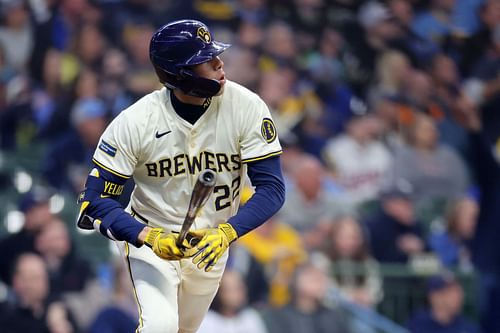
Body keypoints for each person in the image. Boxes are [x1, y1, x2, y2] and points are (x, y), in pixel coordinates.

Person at [76, 19, 285, 333]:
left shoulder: (247, 107)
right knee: (160, 325)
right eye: (205, 60)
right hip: (151, 242)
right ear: (180, 74)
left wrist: (228, 232)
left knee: (183, 331)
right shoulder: (135, 122)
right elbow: (92, 203)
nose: (219, 63)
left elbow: (272, 188)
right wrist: (146, 236)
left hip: (211, 244)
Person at [406, 273, 481, 333]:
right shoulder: (417, 325)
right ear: (434, 297)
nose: (458, 297)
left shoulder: (468, 328)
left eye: (458, 292)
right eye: (450, 293)